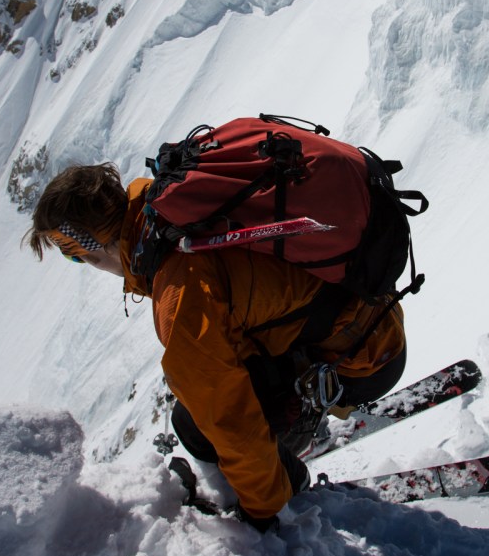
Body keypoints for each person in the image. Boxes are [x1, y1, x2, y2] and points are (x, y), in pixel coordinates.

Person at [27, 162, 407, 531]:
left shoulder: (180, 284)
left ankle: (290, 472)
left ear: (88, 245)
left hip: (360, 361)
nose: (82, 262)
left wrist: (261, 508)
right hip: (371, 320)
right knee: (211, 380)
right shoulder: (173, 208)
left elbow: (229, 416)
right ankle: (291, 426)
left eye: (74, 255)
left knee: (195, 423)